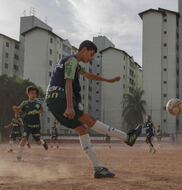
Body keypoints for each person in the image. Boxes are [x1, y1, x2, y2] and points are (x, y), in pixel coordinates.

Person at [45, 40, 142, 179]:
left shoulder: (72, 63)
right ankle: (128, 138)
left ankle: (98, 168)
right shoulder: (72, 61)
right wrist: (70, 106)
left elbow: (88, 75)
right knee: (90, 121)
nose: (91, 59)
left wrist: (108, 80)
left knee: (82, 130)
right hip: (61, 98)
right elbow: (68, 82)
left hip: (52, 101)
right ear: (84, 50)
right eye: (91, 55)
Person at [13, 86, 48, 161]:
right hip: (27, 125)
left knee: (38, 142)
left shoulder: (38, 103)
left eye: (35, 93)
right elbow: (18, 111)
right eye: (32, 93)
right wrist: (16, 111)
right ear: (28, 94)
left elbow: (42, 111)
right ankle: (19, 157)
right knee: (24, 139)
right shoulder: (24, 103)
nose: (33, 95)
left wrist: (37, 112)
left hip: (36, 125)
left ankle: (43, 142)